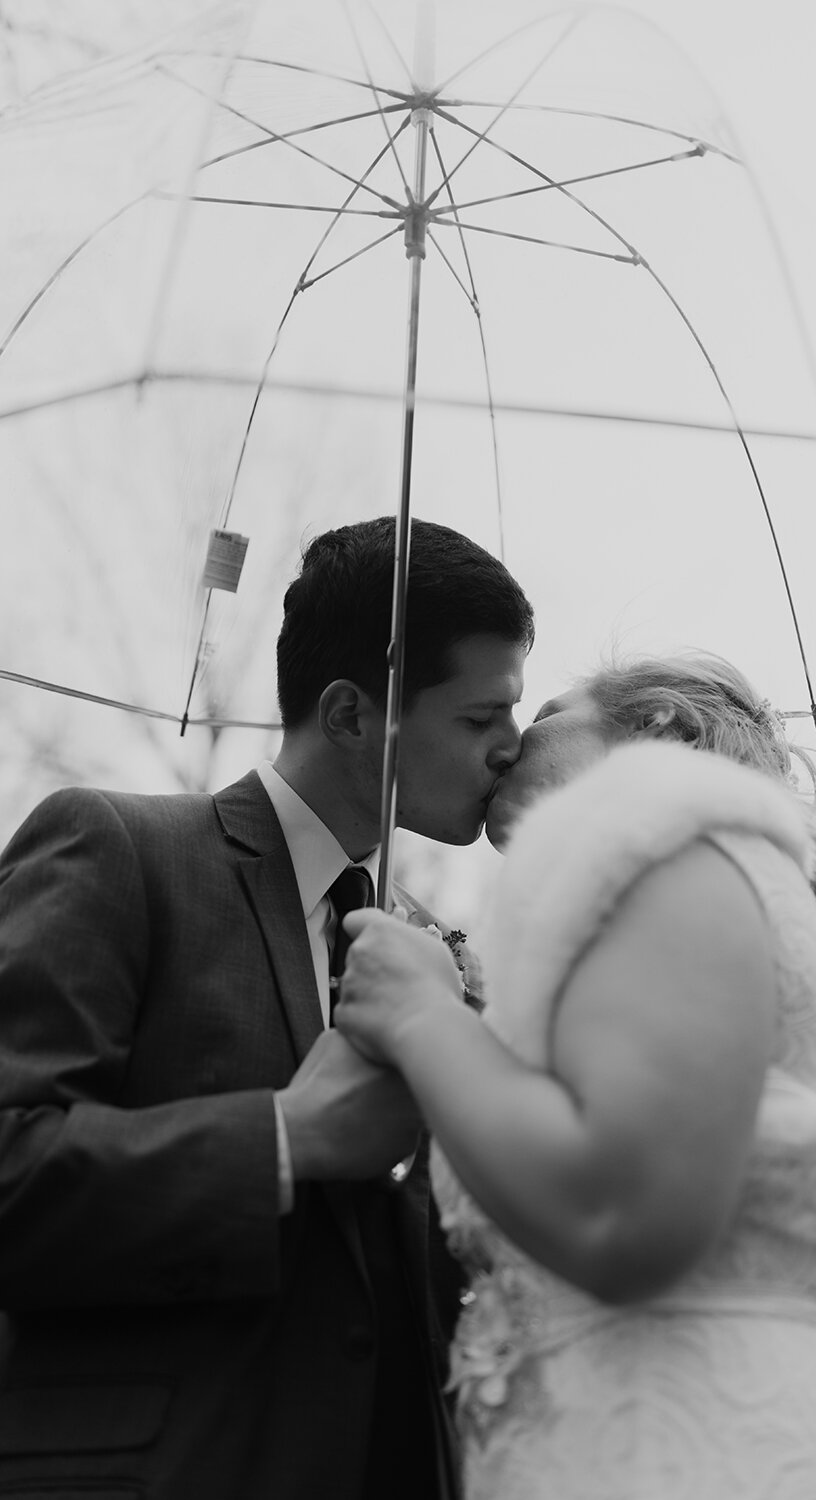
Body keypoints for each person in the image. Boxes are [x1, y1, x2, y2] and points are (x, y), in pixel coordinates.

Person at [336, 651, 816, 1500]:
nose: (512, 737)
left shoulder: (673, 838)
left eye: (552, 710)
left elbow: (622, 1213)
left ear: (662, 730)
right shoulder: (665, 896)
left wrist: (422, 1020)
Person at [0, 516, 533, 1500]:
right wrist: (285, 1139)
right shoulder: (114, 847)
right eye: (477, 720)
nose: (514, 748)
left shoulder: (439, 962)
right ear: (347, 715)